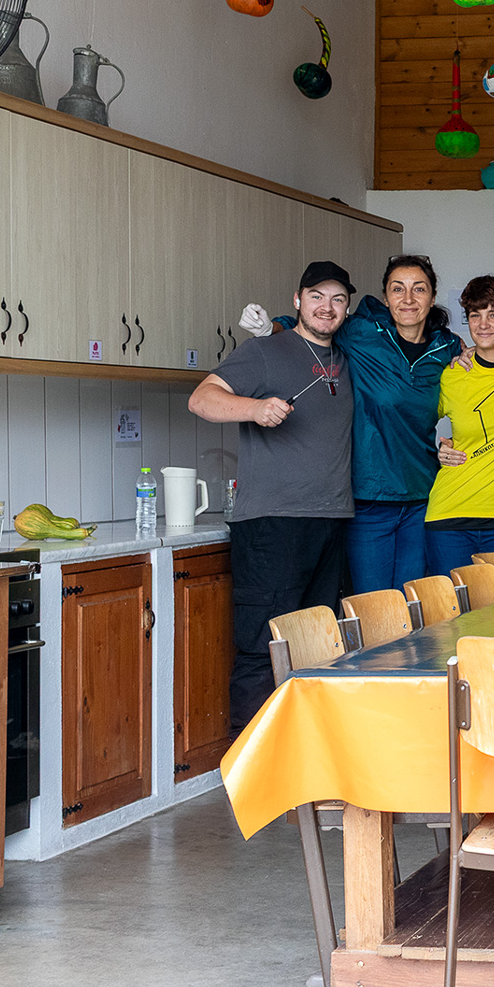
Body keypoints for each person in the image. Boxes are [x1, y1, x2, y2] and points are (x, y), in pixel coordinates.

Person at [192, 262, 355, 732]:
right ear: (297, 300)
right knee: (264, 647)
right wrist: (254, 408)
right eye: (317, 296)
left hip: (332, 520)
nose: (327, 307)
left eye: (338, 299)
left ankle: (298, 763)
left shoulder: (343, 360)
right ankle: (251, 774)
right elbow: (201, 399)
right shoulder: (263, 352)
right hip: (271, 524)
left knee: (317, 648)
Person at [242, 254, 462, 592]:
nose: (407, 299)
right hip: (368, 497)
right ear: (385, 297)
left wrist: (453, 442)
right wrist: (269, 327)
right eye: (397, 289)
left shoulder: (446, 349)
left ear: (432, 298)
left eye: (418, 290)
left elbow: (468, 402)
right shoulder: (360, 332)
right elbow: (314, 324)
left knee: (415, 606)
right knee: (373, 607)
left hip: (423, 496)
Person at [424, 275, 494, 573]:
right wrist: (435, 449)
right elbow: (410, 423)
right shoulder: (451, 374)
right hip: (449, 517)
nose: (483, 324)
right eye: (475, 315)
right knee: (453, 618)